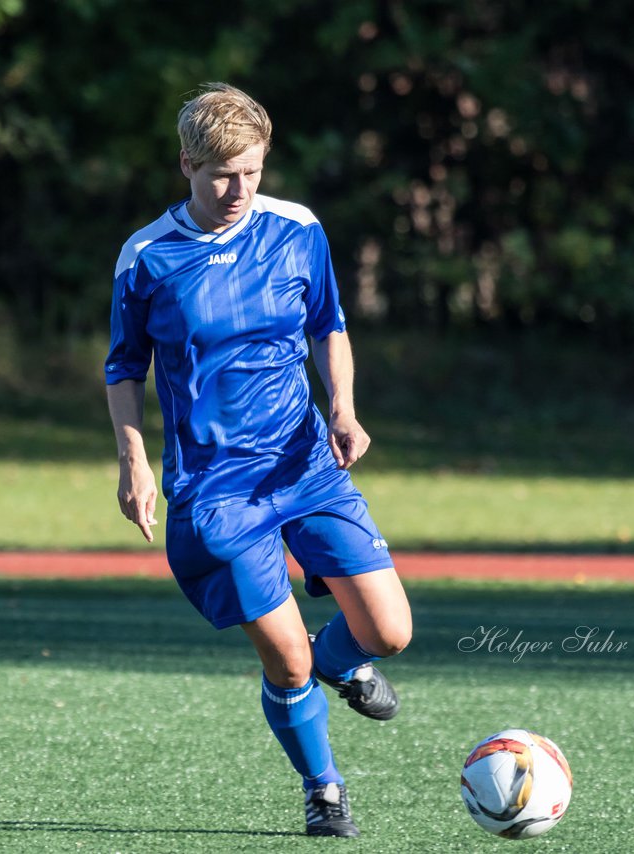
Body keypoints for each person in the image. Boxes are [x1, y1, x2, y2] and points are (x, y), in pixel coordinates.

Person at [105, 83, 412, 838]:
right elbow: (124, 368)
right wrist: (133, 461)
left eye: (253, 171)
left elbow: (328, 326)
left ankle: (345, 661)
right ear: (187, 164)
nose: (240, 190)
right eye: (222, 175)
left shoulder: (298, 229)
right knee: (288, 664)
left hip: (304, 462)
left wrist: (341, 407)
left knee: (390, 632)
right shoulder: (147, 256)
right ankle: (324, 786)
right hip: (214, 491)